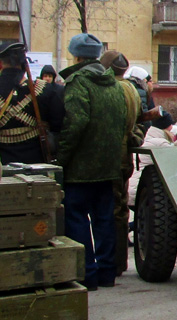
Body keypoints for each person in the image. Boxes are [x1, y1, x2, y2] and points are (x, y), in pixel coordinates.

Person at [57, 33, 130, 291]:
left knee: (76, 218)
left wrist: (60, 159)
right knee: (104, 219)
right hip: (108, 166)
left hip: (80, 168)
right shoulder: (112, 84)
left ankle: (86, 274)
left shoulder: (78, 83)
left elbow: (75, 123)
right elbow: (121, 123)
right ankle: (107, 272)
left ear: (76, 56)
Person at [99, 50, 145, 276]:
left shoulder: (110, 89)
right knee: (121, 207)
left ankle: (111, 262)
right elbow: (139, 120)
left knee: (108, 208)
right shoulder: (132, 89)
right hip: (125, 156)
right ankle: (119, 262)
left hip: (111, 155)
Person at [0, 40, 63, 164]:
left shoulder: (41, 88)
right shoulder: (45, 89)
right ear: (25, 64)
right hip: (35, 162)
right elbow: (58, 125)